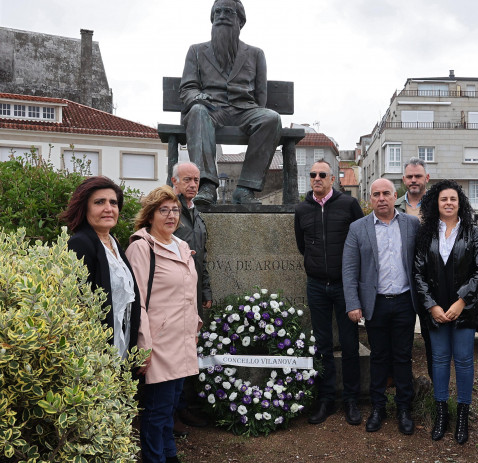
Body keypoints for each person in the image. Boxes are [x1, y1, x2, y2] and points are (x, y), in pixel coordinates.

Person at [126, 186, 202, 463]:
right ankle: (154, 457)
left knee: (171, 405)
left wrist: (195, 326)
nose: (171, 215)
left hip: (182, 340)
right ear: (150, 214)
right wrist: (143, 347)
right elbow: (138, 303)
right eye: (163, 210)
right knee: (157, 410)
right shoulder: (141, 247)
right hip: (157, 343)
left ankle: (169, 454)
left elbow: (188, 292)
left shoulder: (181, 245)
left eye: (175, 210)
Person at [180, 0, 282, 208]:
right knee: (197, 111)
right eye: (217, 12)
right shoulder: (196, 51)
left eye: (228, 12)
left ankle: (245, 189)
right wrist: (198, 97)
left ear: (240, 21)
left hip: (244, 109)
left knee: (271, 118)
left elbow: (261, 95)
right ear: (212, 18)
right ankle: (206, 186)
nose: (222, 16)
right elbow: (187, 87)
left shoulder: (255, 54)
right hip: (211, 109)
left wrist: (254, 111)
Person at [342, 178, 420, 435]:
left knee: (402, 357)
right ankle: (378, 407)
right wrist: (353, 304)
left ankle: (404, 409)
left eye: (386, 193)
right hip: (375, 304)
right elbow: (350, 269)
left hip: (404, 302)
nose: (381, 198)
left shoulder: (411, 224)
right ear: (370, 198)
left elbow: (421, 264)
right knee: (378, 357)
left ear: (395, 195)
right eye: (376, 194)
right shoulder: (358, 228)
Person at [413, 180, 478, 444]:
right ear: (436, 202)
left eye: (453, 199)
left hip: (463, 310)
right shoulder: (426, 233)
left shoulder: (472, 232)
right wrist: (431, 306)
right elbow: (418, 273)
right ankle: (442, 414)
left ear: (460, 202)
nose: (448, 203)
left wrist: (461, 302)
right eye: (443, 199)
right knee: (441, 361)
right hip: (436, 311)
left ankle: (463, 416)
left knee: (465, 361)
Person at [294, 160, 364, 425]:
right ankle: (326, 399)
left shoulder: (348, 205)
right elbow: (303, 246)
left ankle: (351, 400)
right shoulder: (302, 209)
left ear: (333, 179)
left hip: (345, 285)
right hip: (316, 285)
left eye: (322, 174)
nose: (317, 178)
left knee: (349, 344)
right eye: (313, 174)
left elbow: (361, 241)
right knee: (322, 345)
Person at [61, 176, 141, 359]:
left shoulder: (113, 245)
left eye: (113, 203)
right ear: (85, 207)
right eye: (99, 202)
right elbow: (78, 305)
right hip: (96, 355)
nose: (108, 208)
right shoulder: (80, 244)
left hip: (122, 350)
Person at [170, 162, 214, 431]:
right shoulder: (169, 211)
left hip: (193, 293)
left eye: (196, 180)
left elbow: (202, 256)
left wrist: (206, 290)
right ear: (174, 181)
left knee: (188, 351)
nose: (193, 185)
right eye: (187, 180)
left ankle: (184, 408)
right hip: (174, 294)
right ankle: (171, 414)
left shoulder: (196, 213)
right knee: (174, 354)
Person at [394, 157, 434, 382]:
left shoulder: (438, 205)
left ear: (426, 178)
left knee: (432, 338)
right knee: (401, 339)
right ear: (403, 179)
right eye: (409, 176)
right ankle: (401, 387)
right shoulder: (394, 205)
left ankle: (436, 390)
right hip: (402, 279)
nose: (414, 180)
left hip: (431, 281)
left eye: (418, 176)